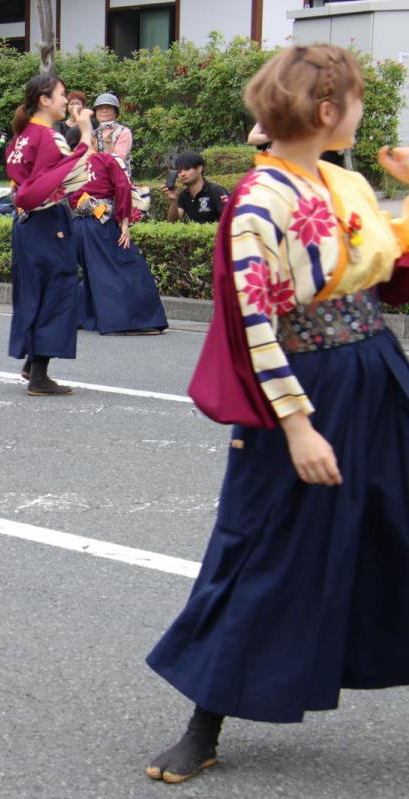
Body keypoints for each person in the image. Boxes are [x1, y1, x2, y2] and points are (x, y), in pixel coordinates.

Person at [146, 44, 409, 785]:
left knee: (397, 525)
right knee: (260, 544)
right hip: (305, 384)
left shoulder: (343, 180)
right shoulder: (258, 201)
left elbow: (387, 272)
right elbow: (254, 323)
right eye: (356, 99)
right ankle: (205, 719)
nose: (360, 110)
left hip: (373, 369)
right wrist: (295, 424)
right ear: (329, 113)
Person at [4, 74, 93, 396]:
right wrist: (85, 131)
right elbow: (76, 170)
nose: (65, 100)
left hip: (25, 224)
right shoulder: (50, 138)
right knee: (57, 289)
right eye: (60, 95)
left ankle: (32, 360)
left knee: (33, 291)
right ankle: (39, 373)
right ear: (44, 99)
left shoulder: (19, 138)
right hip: (49, 220)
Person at [64, 128, 167, 336]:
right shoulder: (105, 159)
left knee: (93, 271)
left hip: (79, 226)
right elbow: (123, 187)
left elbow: (71, 199)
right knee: (124, 268)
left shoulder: (70, 167)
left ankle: (83, 316)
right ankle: (129, 321)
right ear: (91, 138)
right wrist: (124, 224)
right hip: (103, 224)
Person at [163, 151, 230, 224]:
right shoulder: (183, 195)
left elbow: (230, 218)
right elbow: (172, 222)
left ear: (199, 169)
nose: (182, 174)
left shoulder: (216, 191)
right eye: (179, 171)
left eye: (187, 169)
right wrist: (174, 200)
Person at [91, 92, 133, 173]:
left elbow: (118, 161)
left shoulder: (123, 132)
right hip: (97, 176)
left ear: (115, 112)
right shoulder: (93, 133)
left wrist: (108, 142)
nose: (104, 110)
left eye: (108, 107)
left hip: (119, 177)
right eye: (100, 108)